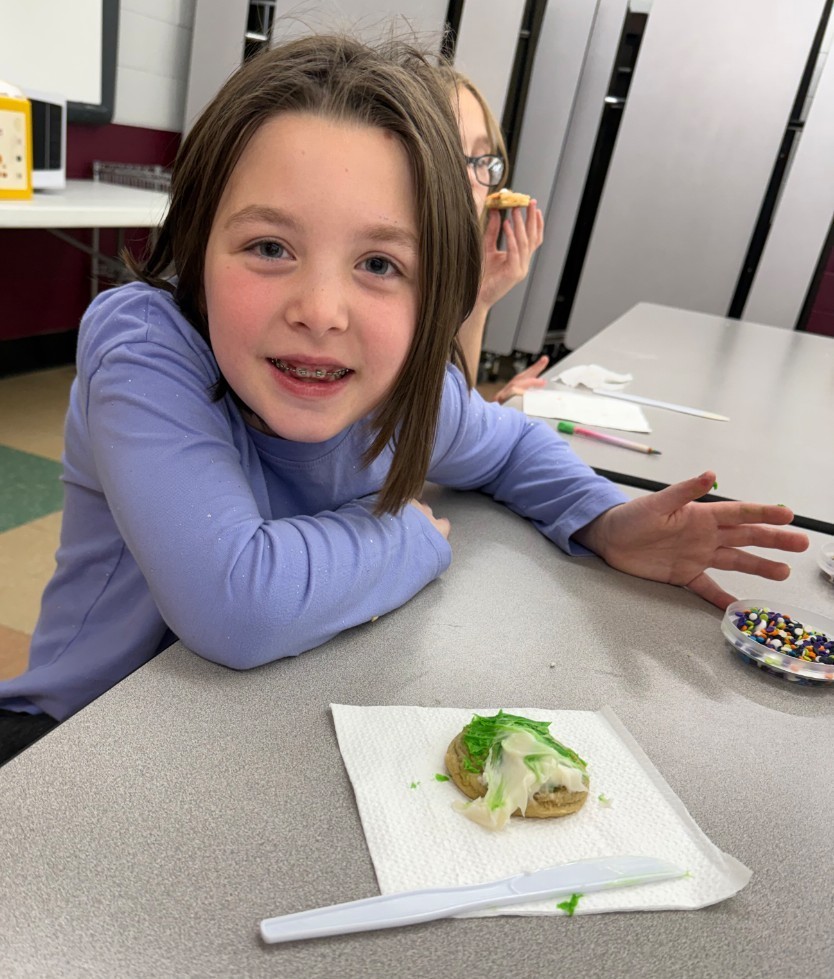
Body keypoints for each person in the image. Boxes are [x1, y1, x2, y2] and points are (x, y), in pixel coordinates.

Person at [0, 33, 808, 766]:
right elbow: (234, 603)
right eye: (270, 247)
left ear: (434, 295)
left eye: (380, 264)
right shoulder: (147, 345)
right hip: (69, 742)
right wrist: (408, 536)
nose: (322, 310)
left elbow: (511, 444)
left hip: (244, 742)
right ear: (198, 246)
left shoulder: (399, 389)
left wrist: (601, 518)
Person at [446, 68, 548, 405]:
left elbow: (447, 415)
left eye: (481, 159)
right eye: (450, 153)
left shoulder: (449, 271)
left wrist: (478, 300)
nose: (472, 179)